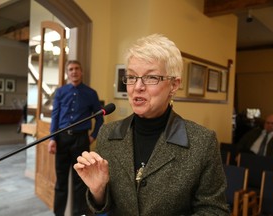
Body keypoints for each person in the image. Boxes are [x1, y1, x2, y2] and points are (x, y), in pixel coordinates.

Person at [73, 34, 229, 215]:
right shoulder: (107, 133)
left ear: (173, 85)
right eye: (131, 77)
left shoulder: (202, 142)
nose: (137, 86)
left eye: (151, 77)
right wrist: (97, 190)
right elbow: (104, 206)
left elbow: (214, 210)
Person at [48, 60, 104, 216]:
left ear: (82, 72)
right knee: (61, 182)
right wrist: (52, 139)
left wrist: (93, 136)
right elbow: (55, 115)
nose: (74, 72)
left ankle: (78, 214)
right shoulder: (60, 92)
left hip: (81, 140)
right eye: (71, 69)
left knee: (80, 183)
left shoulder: (91, 93)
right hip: (61, 140)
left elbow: (100, 118)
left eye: (77, 69)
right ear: (67, 72)